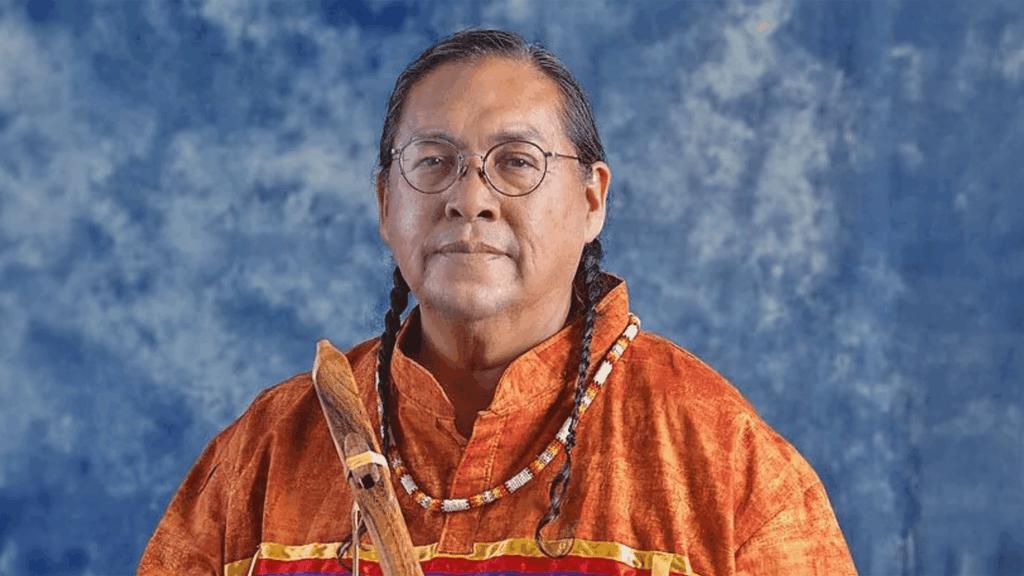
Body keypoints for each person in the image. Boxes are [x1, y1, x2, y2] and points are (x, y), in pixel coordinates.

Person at [136, 29, 859, 576]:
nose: (469, 199)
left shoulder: (723, 461)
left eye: (516, 161)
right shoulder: (264, 454)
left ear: (590, 199)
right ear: (385, 202)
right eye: (433, 163)